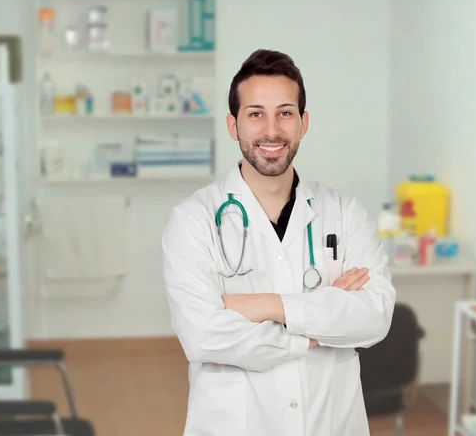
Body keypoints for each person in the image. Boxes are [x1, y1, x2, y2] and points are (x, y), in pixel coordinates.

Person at [162, 49, 396, 436]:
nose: (272, 130)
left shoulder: (345, 212)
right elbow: (204, 336)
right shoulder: (193, 220)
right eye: (255, 114)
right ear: (233, 125)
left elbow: (374, 317)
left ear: (303, 123)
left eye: (285, 113)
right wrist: (318, 331)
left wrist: (267, 306)